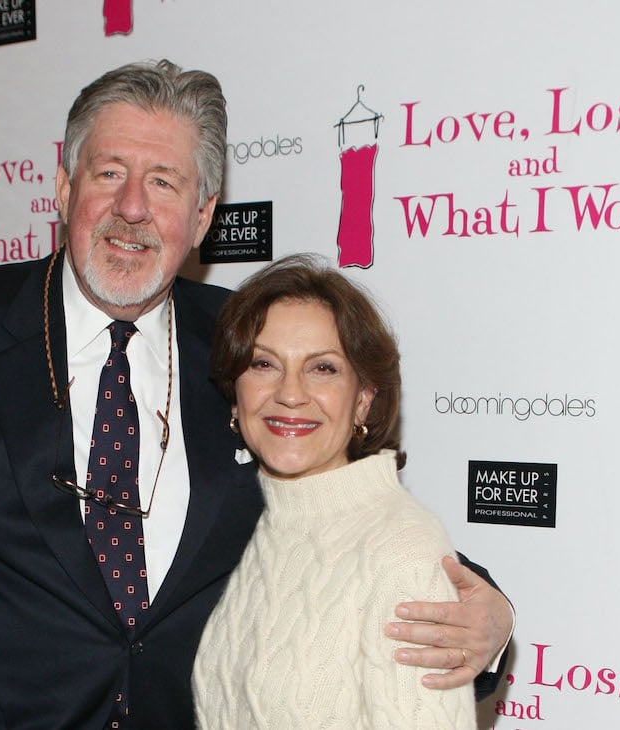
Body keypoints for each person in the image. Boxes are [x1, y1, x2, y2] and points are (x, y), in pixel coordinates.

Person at [0, 59, 511, 729]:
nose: (132, 207)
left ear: (202, 217)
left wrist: (486, 613)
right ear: (63, 187)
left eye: (165, 183)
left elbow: (348, 509)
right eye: (109, 172)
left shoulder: (247, 348)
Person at [193, 255, 475, 728]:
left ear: (364, 397)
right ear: (235, 393)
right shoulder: (253, 524)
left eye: (322, 368)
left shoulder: (402, 549)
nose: (290, 393)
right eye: (264, 363)